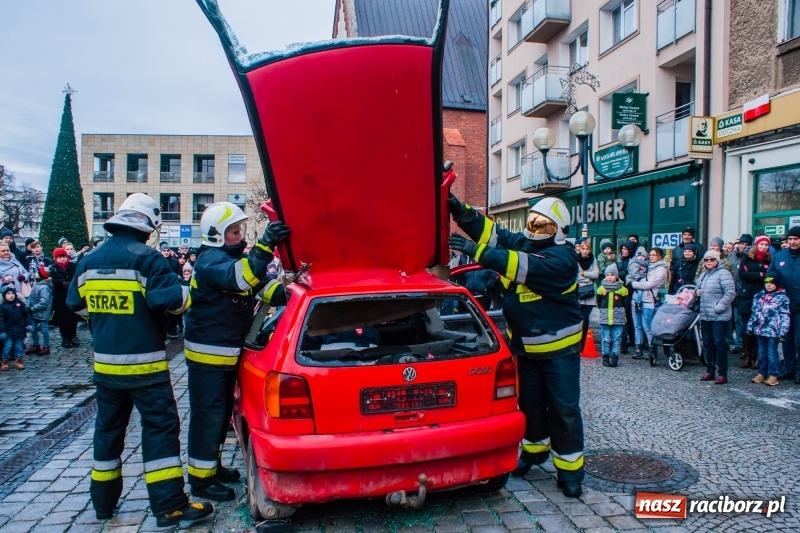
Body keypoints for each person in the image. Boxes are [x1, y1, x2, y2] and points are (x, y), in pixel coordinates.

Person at [66, 193, 213, 526]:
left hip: (105, 368)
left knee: (107, 431)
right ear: (150, 226)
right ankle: (170, 507)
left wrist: (108, 321)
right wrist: (190, 288)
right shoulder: (147, 259)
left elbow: (75, 304)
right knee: (160, 429)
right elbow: (174, 302)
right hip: (146, 368)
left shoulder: (90, 259)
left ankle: (103, 504)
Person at [447, 194, 585, 498]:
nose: (535, 228)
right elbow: (492, 232)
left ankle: (570, 470)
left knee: (564, 410)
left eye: (544, 224)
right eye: (533, 221)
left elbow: (521, 266)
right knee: (531, 407)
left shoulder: (563, 259)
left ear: (559, 230)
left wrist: (476, 252)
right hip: (525, 349)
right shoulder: (525, 242)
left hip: (559, 352)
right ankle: (534, 452)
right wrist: (459, 209)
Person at [184, 202, 289, 502]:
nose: (239, 235)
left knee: (218, 415)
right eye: (233, 231)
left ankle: (212, 468)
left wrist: (288, 292)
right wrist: (265, 244)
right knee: (208, 417)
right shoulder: (210, 261)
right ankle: (202, 482)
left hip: (225, 353)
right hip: (209, 356)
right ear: (217, 235)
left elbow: (261, 287)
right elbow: (243, 278)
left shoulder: (229, 259)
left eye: (239, 230)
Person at [766, 226, 800, 383]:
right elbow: (768, 277)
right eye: (790, 239)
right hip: (783, 307)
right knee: (786, 338)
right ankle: (788, 368)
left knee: (799, 339)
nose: (792, 242)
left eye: (796, 239)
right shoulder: (779, 256)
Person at [696, 250, 736, 384]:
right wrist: (697, 292)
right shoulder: (703, 275)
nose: (708, 262)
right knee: (707, 343)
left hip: (719, 315)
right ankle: (710, 370)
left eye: (711, 260)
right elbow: (697, 289)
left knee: (719, 344)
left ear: (717, 261)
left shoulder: (724, 274)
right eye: (706, 260)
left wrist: (718, 307)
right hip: (705, 315)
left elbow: (730, 293)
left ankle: (722, 373)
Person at [736, 235, 772, 369]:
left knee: (759, 328)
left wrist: (756, 275)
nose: (763, 247)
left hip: (762, 297)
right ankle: (747, 356)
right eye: (761, 244)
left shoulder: (770, 259)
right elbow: (742, 274)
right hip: (747, 297)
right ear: (756, 245)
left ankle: (758, 357)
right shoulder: (747, 258)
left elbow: (770, 276)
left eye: (766, 245)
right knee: (747, 328)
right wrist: (760, 275)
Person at [747, 272, 790, 386]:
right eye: (767, 282)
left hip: (773, 331)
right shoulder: (758, 296)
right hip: (760, 329)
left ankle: (773, 375)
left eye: (772, 283)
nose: (769, 285)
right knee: (762, 352)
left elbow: (785, 315)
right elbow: (754, 313)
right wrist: (750, 326)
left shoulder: (782, 298)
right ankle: (762, 372)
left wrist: (783, 331)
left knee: (771, 352)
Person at [629, 247, 668, 361]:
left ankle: (652, 349)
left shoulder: (661, 269)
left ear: (659, 256)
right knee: (637, 326)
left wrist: (633, 284)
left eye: (653, 255)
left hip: (649, 300)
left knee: (647, 326)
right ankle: (638, 348)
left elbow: (650, 284)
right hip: (636, 299)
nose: (651, 257)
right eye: (650, 255)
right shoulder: (647, 266)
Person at [596, 264, 628, 368]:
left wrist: (621, 312)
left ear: (616, 276)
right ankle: (605, 356)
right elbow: (599, 302)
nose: (609, 277)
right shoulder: (601, 289)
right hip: (605, 317)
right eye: (607, 275)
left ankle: (614, 357)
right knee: (605, 338)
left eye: (612, 275)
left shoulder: (623, 290)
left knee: (617, 338)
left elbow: (625, 304)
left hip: (618, 318)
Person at [51, 247, 79, 347]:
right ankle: (65, 339)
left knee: (73, 319)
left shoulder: (74, 266)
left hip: (72, 294)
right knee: (62, 320)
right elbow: (51, 281)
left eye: (63, 256)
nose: (62, 259)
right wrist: (61, 283)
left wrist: (70, 283)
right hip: (60, 297)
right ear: (55, 258)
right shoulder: (53, 268)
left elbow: (77, 277)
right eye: (59, 257)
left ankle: (73, 337)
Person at [0, 285, 32, 370]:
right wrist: (2, 331)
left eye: (12, 293)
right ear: (4, 296)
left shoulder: (20, 305)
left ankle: (19, 361)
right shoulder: (3, 307)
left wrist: (28, 324)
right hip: (8, 331)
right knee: (8, 346)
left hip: (19, 330)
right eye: (8, 293)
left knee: (19, 346)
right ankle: (5, 361)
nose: (11, 295)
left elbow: (26, 315)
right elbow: (1, 320)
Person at [577, 240, 599, 354]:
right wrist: (587, 278)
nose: (585, 251)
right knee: (578, 318)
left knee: (585, 319)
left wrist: (584, 274)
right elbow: (574, 275)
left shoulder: (593, 259)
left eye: (587, 249)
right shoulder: (576, 259)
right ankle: (576, 342)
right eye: (583, 249)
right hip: (579, 292)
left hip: (590, 293)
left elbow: (596, 274)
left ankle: (582, 344)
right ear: (580, 249)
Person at [25, 265, 53, 356]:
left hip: (41, 313)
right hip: (34, 312)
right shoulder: (37, 285)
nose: (36, 273)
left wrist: (33, 308)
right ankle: (36, 344)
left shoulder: (44, 287)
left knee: (44, 330)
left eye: (38, 272)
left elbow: (44, 302)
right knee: (33, 329)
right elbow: (31, 297)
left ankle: (46, 346)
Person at [616, 240, 638, 354]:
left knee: (631, 317)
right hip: (621, 291)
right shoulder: (620, 260)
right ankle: (625, 341)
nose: (623, 251)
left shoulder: (633, 261)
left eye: (625, 249)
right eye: (622, 249)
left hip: (631, 291)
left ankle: (634, 340)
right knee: (623, 317)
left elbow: (628, 274)